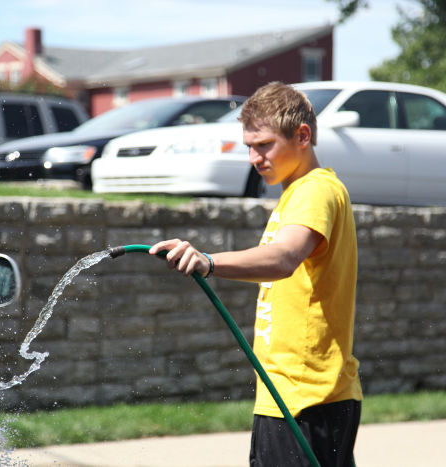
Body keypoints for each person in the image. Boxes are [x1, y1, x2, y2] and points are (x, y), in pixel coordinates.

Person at [149, 81, 362, 467]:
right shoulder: (297, 191)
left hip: (305, 397)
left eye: (263, 145)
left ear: (302, 136)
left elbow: (283, 258)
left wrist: (208, 262)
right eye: (249, 146)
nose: (253, 156)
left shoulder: (315, 191)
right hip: (294, 394)